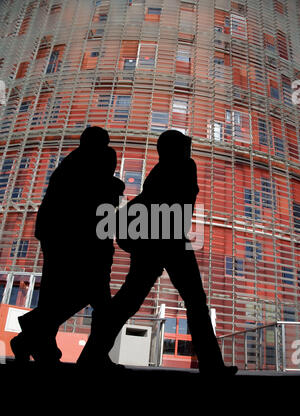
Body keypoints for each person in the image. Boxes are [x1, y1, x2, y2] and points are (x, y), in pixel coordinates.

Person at [77, 130, 238, 376]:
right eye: (184, 145)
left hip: (153, 243)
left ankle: (92, 356)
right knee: (194, 301)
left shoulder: (159, 171)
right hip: (169, 242)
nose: (189, 147)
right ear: (175, 148)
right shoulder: (183, 165)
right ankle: (212, 365)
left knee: (128, 301)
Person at [10, 126, 125, 365]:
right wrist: (115, 188)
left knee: (59, 294)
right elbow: (96, 194)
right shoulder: (93, 160)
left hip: (61, 236)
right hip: (76, 238)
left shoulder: (71, 163)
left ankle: (36, 342)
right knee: (96, 295)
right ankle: (38, 335)